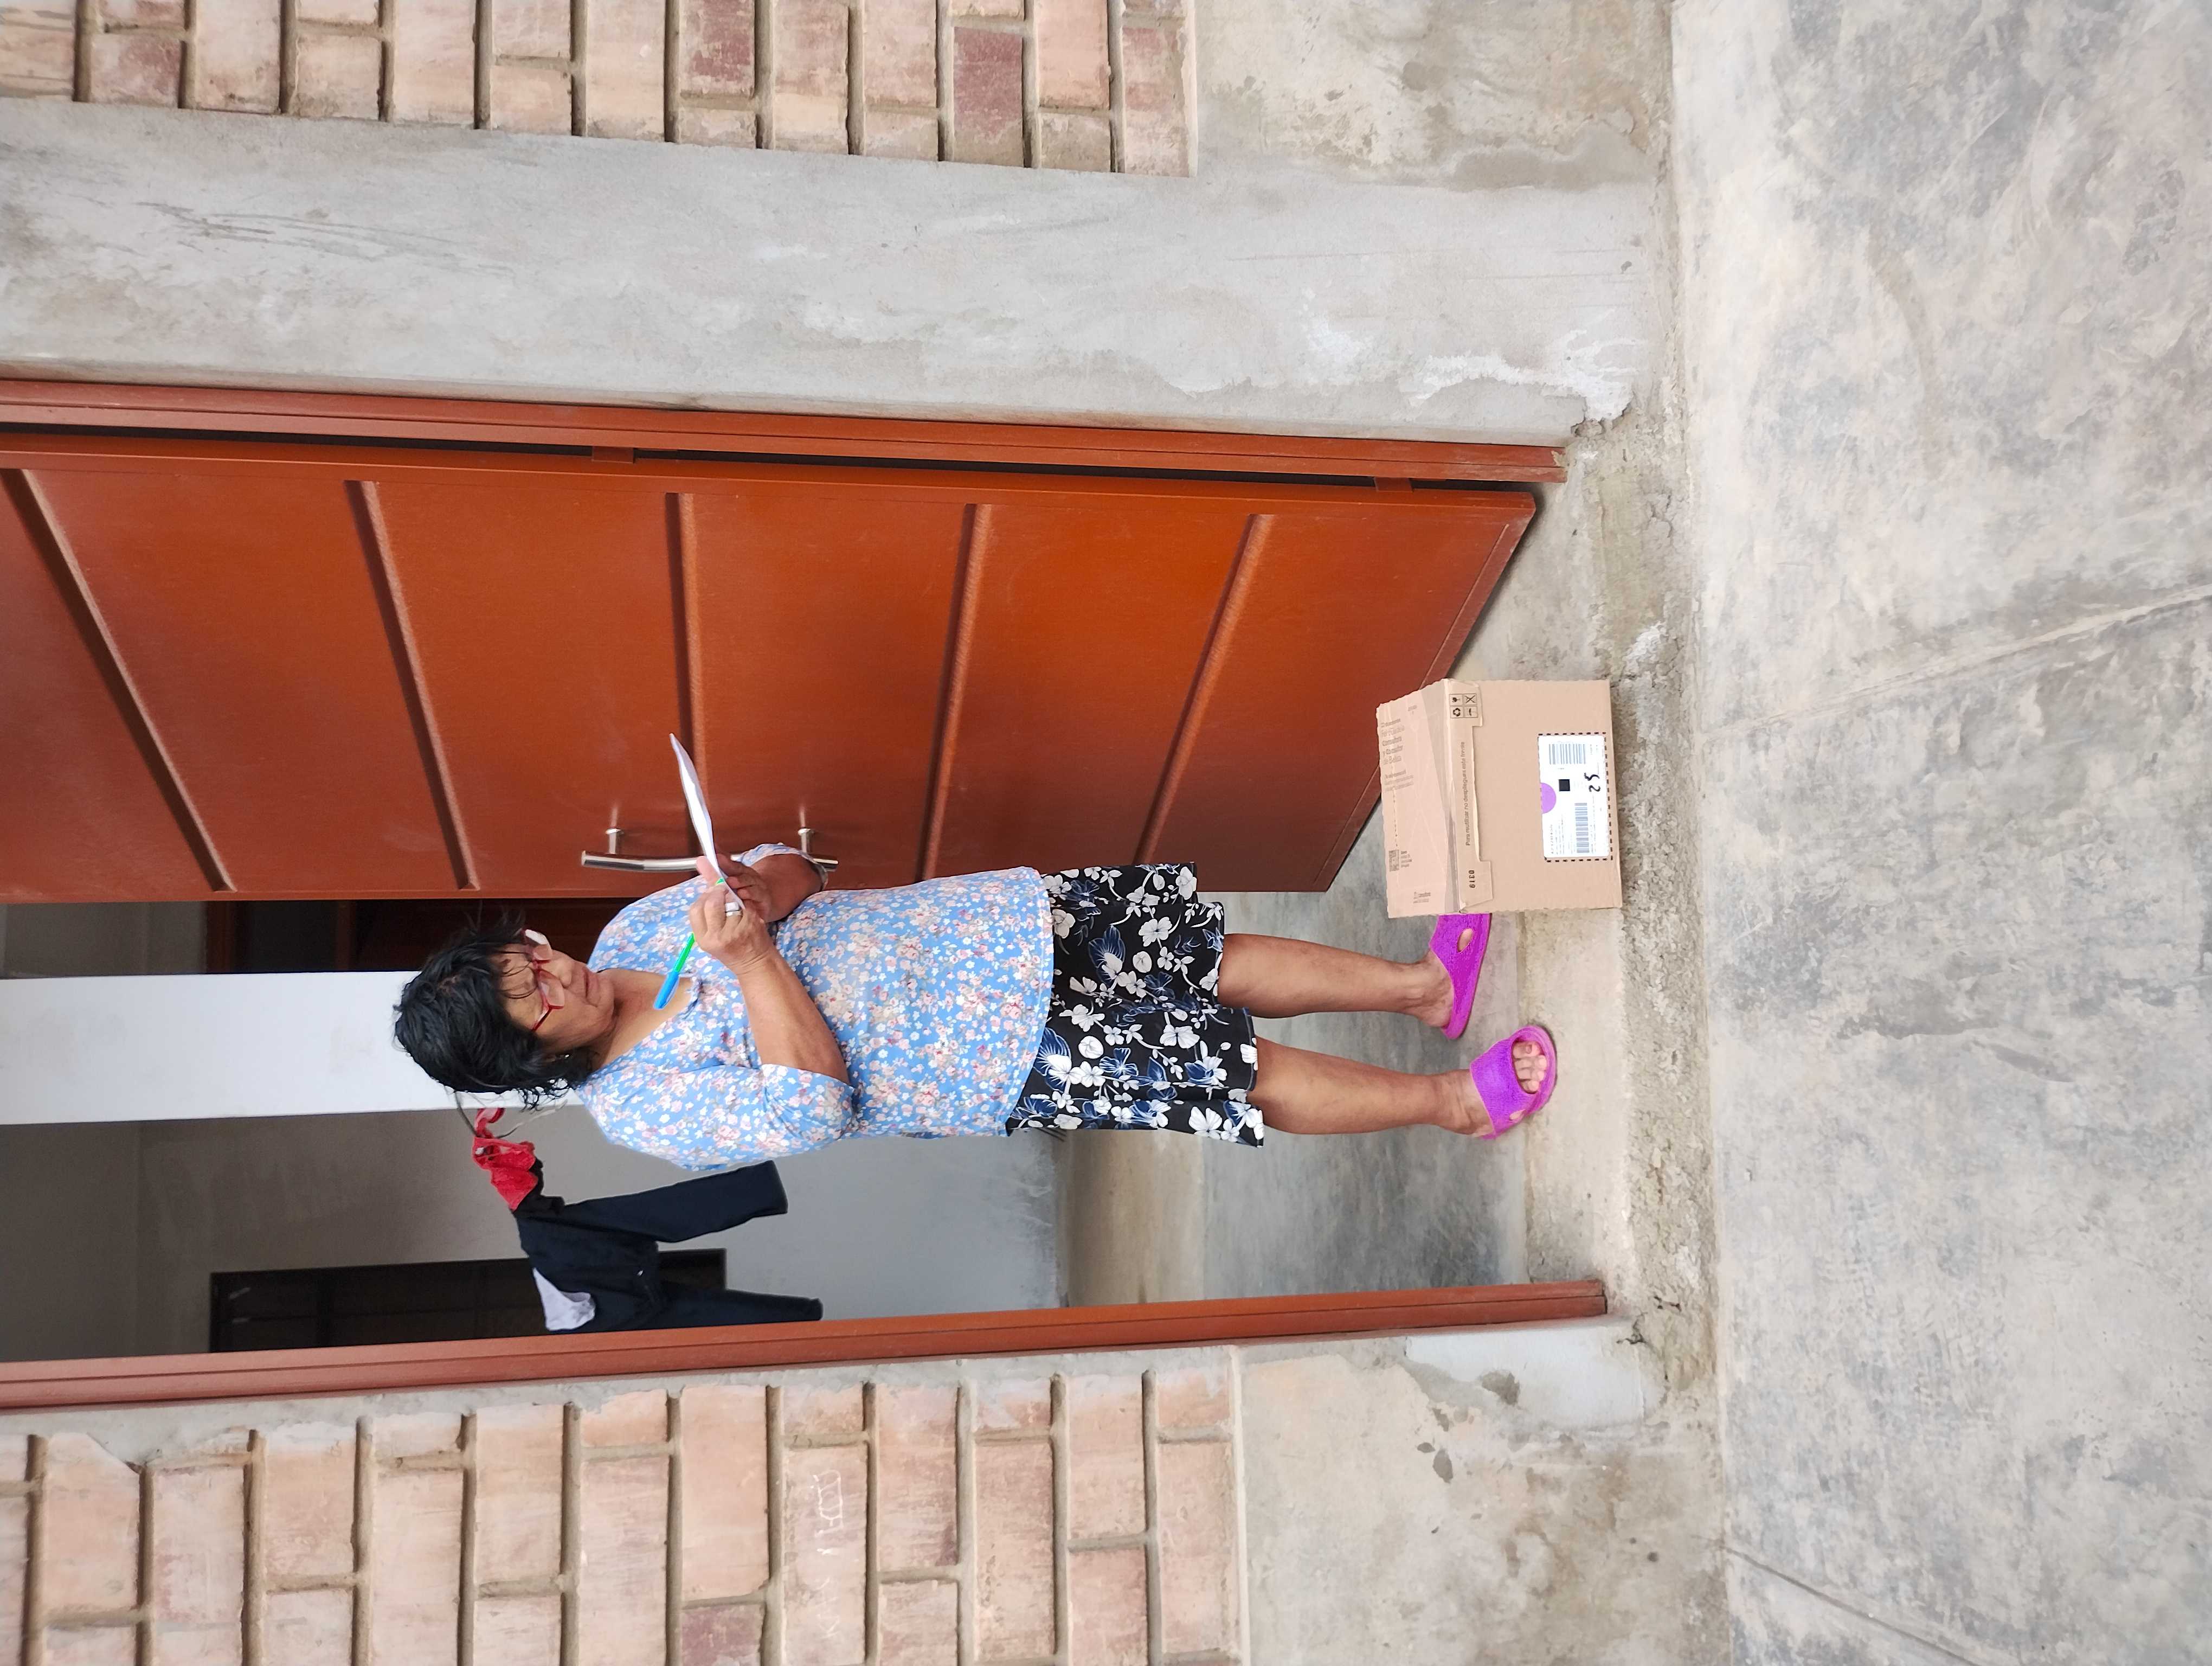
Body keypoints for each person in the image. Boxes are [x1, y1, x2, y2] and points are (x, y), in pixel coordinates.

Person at [394, 848, 1557, 1173]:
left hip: (981, 930)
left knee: (1213, 958)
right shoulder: (638, 1109)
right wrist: (751, 964)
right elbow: (810, 1107)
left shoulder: (628, 934)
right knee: (1232, 1071)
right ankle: (1453, 1103)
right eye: (533, 999)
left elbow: (799, 868)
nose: (555, 972)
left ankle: (1424, 989)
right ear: (528, 1058)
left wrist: (764, 886)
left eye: (530, 955)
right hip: (997, 1055)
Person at [468, 1107, 820, 1333]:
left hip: (603, 1299)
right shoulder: (547, 1235)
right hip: (589, 1278)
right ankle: (797, 1318)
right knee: (662, 1219)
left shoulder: (547, 1235)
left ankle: (800, 1319)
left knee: (696, 1310)